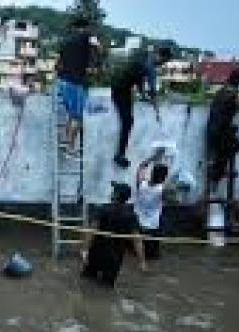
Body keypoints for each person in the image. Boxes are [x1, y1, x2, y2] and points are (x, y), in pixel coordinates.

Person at [110, 46, 173, 168]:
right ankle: (120, 155)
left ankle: (120, 154)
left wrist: (143, 94)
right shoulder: (150, 67)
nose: (162, 64)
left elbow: (137, 78)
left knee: (128, 120)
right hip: (121, 89)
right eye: (163, 61)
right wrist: (156, 110)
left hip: (118, 85)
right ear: (159, 55)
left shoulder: (143, 57)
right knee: (128, 121)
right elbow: (152, 91)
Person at [82, 182, 147, 288]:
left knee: (86, 282)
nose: (111, 192)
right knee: (106, 288)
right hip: (115, 257)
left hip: (96, 253)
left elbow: (91, 231)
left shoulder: (102, 209)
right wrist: (142, 261)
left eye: (114, 191)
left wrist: (84, 250)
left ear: (116, 195)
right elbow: (137, 240)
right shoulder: (131, 215)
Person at [56, 17, 100, 157]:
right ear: (85, 27)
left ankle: (64, 140)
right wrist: (93, 64)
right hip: (75, 83)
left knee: (71, 114)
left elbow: (58, 63)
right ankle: (70, 147)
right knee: (77, 117)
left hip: (61, 81)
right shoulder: (87, 36)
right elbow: (98, 47)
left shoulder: (66, 41)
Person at [205, 68, 239, 184]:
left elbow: (222, 112)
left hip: (213, 127)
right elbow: (228, 112)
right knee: (234, 146)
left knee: (230, 145)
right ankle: (216, 173)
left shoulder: (222, 90)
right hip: (219, 130)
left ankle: (217, 170)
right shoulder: (232, 93)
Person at [135, 159, 169, 260]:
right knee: (153, 256)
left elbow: (141, 167)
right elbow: (174, 199)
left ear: (152, 173)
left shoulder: (142, 183)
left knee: (137, 252)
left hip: (139, 223)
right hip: (153, 226)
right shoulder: (162, 190)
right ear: (163, 178)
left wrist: (152, 158)